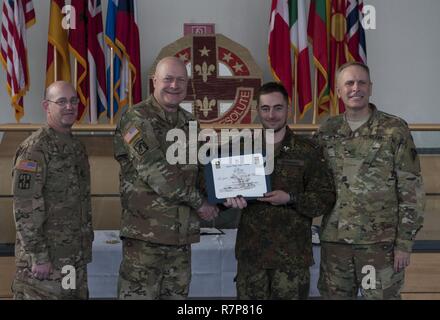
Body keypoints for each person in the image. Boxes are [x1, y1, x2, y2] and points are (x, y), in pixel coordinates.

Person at [316, 62, 425, 299]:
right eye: (349, 83)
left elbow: (411, 189)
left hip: (378, 246)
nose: (356, 88)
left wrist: (404, 243)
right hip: (336, 244)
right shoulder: (326, 131)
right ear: (338, 90)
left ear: (371, 87)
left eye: (361, 82)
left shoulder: (394, 129)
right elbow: (314, 183)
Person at [114, 56, 219, 299]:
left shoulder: (189, 123)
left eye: (181, 80)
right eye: (168, 79)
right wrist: (200, 203)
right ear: (154, 81)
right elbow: (156, 172)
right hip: (145, 240)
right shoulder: (135, 119)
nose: (174, 85)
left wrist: (224, 195)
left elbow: (201, 170)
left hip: (180, 239)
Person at [224, 82, 336, 299]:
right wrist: (227, 199)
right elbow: (224, 193)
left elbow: (325, 197)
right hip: (252, 256)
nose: (272, 115)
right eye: (265, 108)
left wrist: (291, 198)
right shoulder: (241, 149)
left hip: (291, 258)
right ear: (258, 111)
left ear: (288, 109)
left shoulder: (308, 150)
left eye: (278, 108)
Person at [12, 81, 93, 300]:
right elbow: (24, 208)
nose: (69, 106)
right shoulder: (34, 149)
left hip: (72, 258)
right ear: (47, 106)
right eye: (62, 102)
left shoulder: (76, 147)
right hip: (45, 265)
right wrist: (39, 256)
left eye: (73, 101)